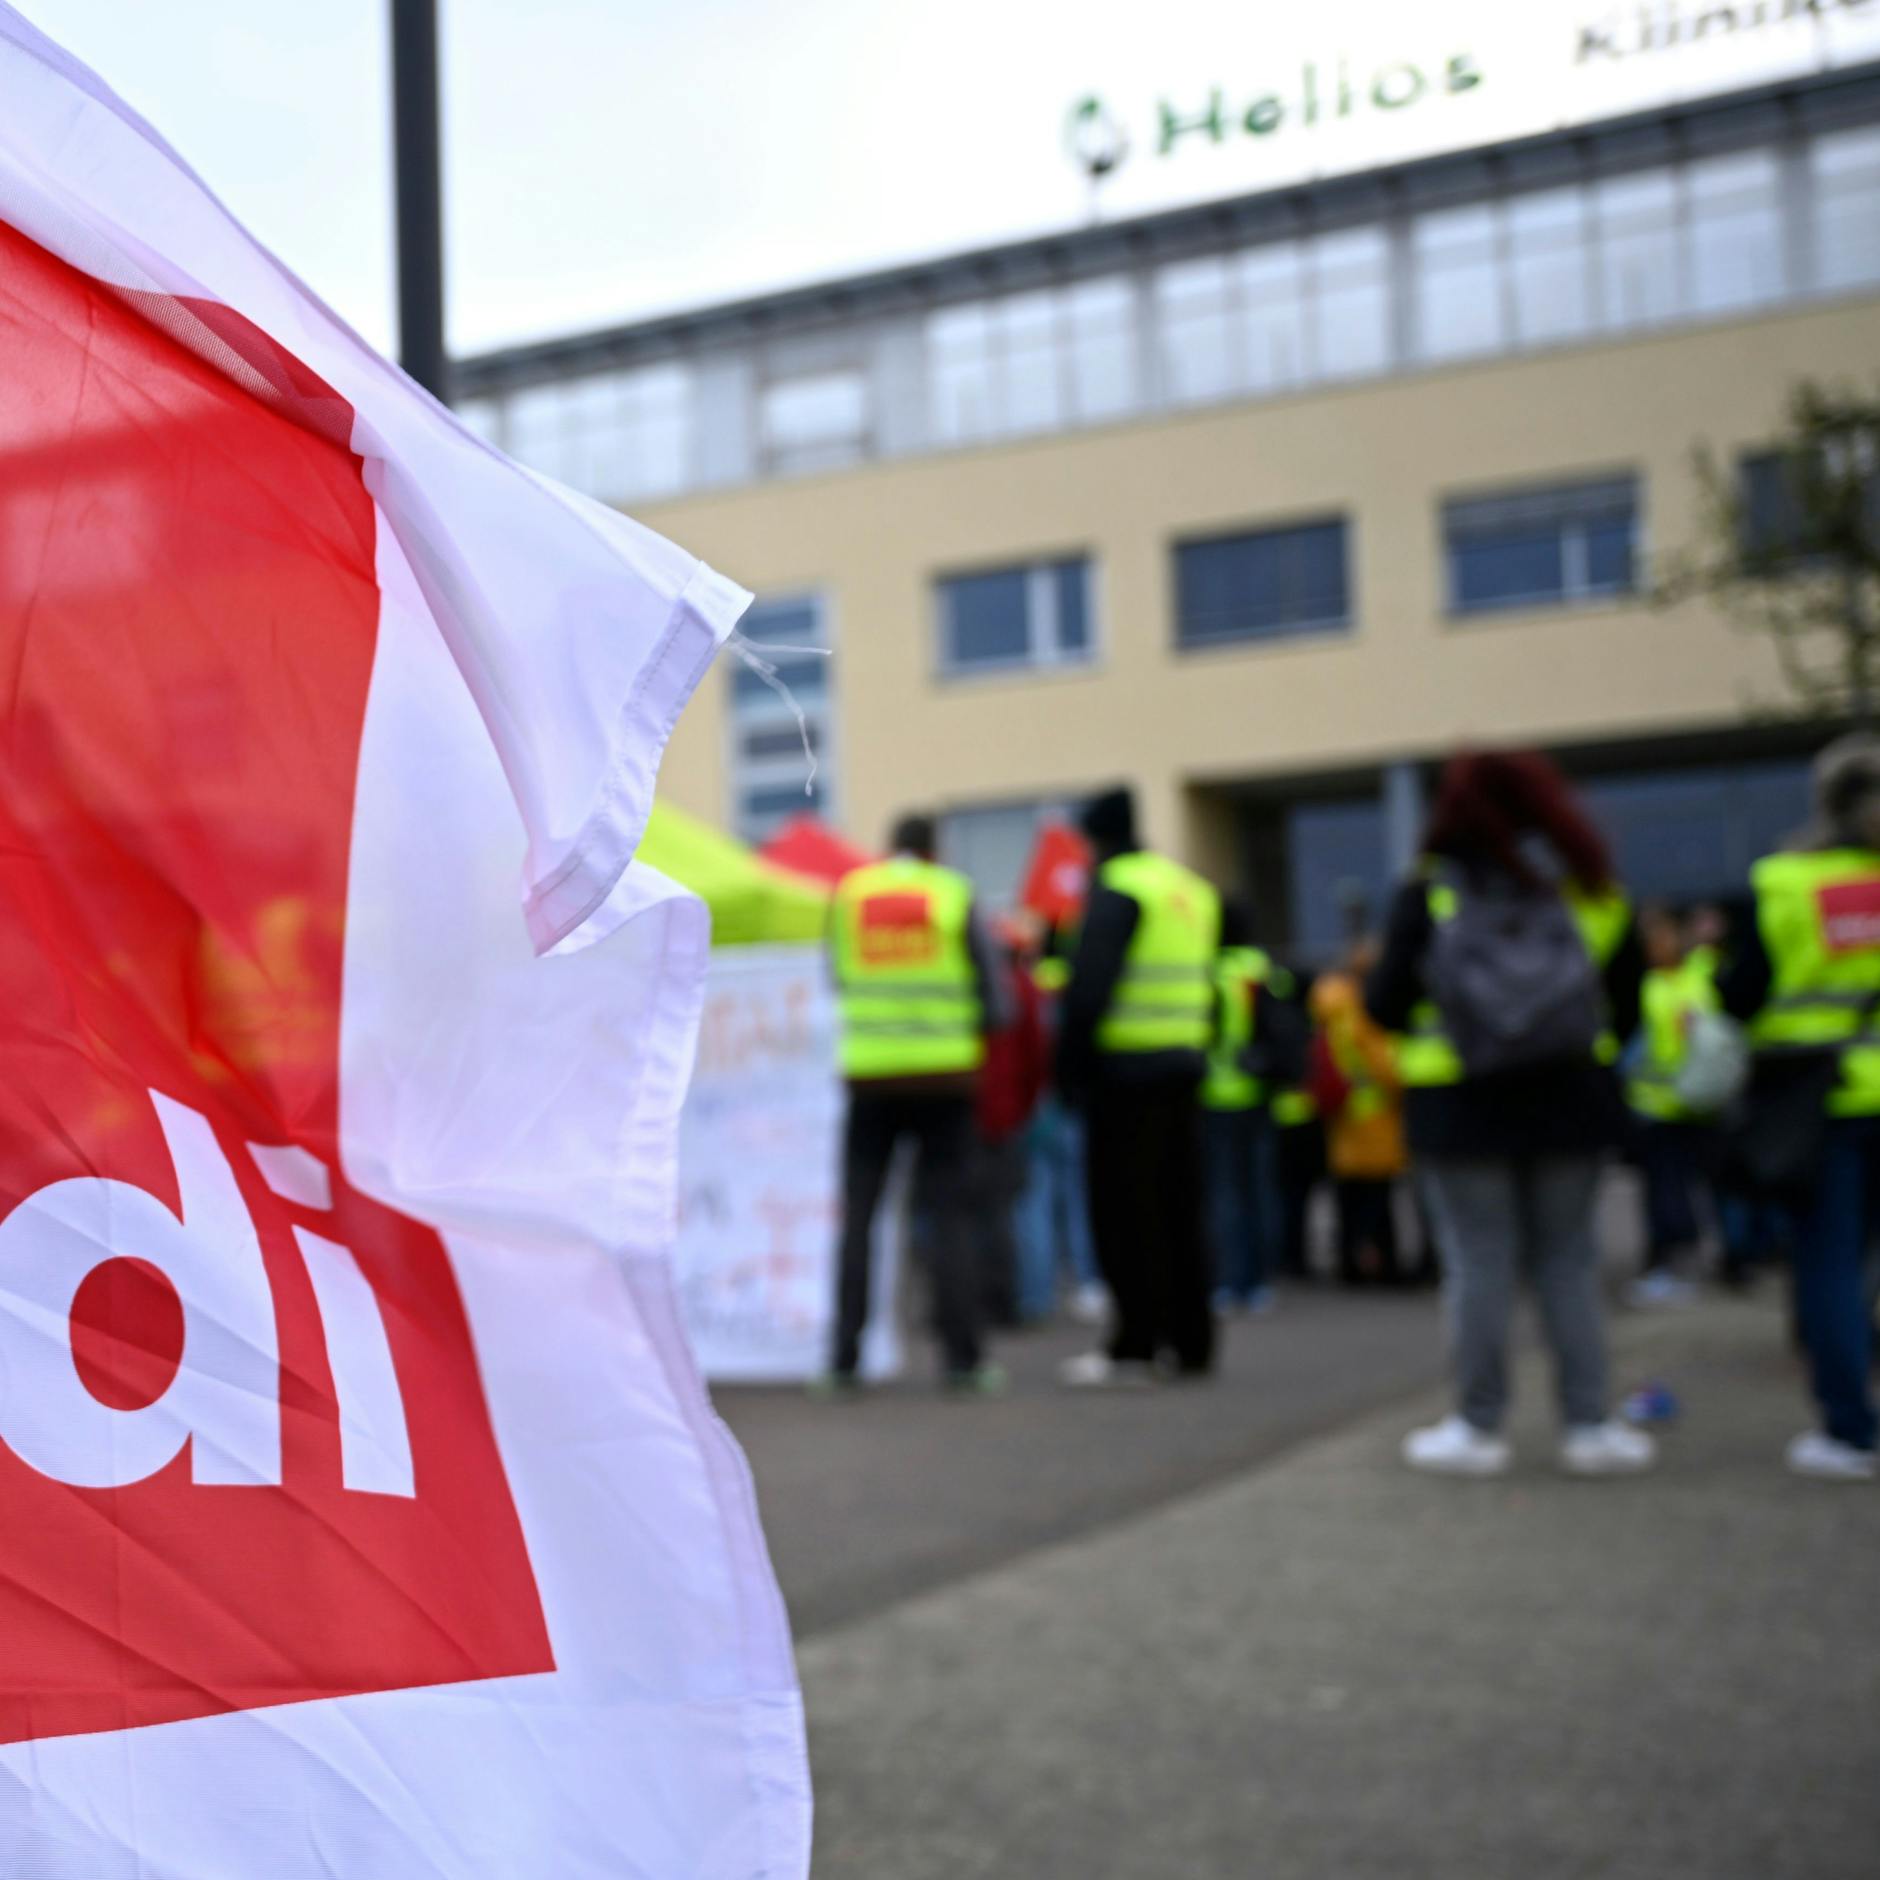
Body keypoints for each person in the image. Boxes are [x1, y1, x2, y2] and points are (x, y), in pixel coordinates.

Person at [1366, 749, 1654, 1477]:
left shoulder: (1430, 893)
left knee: (1478, 1266)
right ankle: (1589, 1427)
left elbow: (1383, 1005)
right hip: (1569, 1099)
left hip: (1459, 1105)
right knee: (1568, 1263)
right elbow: (1629, 1004)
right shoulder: (1591, 890)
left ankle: (1478, 1427)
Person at [1716, 735, 1880, 1481]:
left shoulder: (1785, 884)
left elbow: (1739, 993)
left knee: (1829, 1266)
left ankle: (1850, 1432)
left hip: (1823, 1104)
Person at [822, 812, 1009, 1394]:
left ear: (890, 846)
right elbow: (998, 1000)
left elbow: (836, 977)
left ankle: (843, 1362)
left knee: (859, 1217)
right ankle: (962, 1361)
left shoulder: (851, 895)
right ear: (934, 849)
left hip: (870, 1077)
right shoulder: (953, 893)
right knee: (950, 1217)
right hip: (945, 1079)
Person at [1055, 785, 1220, 1386]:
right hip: (1184, 1065)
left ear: (1096, 838)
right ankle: (1193, 1343)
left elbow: (1088, 990)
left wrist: (1069, 1071)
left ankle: (1136, 1343)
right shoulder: (1189, 889)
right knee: (1182, 1209)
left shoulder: (1118, 887)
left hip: (1125, 1075)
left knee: (1126, 1214)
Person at [1624, 903, 1718, 1307]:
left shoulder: (1694, 978)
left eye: (1661, 935)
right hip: (1657, 1108)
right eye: (1649, 937)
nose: (1655, 945)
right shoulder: (1652, 984)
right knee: (1665, 1190)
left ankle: (1678, 1265)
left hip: (1687, 1105)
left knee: (1675, 1191)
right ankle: (1672, 1261)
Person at [1014, 923, 1104, 1323]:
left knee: (1034, 1200)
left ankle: (1037, 1295)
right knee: (1079, 1197)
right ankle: (1089, 1281)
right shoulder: (1076, 981)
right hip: (1069, 1100)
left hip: (1033, 1103)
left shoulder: (1024, 985)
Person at [1309, 940, 1411, 1285]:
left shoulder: (1330, 1007)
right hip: (1375, 1116)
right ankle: (1385, 1265)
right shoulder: (1363, 1010)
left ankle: (1348, 1263)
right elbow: (1384, 1066)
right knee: (1378, 1202)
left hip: (1343, 1115)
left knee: (1347, 1198)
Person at [1201, 898, 1280, 1314]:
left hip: (1217, 1096)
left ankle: (1230, 1281)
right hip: (1259, 1092)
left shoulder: (1210, 971)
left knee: (1225, 1194)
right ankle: (1260, 1279)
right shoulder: (1262, 970)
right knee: (1260, 1190)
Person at [972, 924, 1050, 1327]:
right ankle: (1022, 1298)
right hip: (1010, 1113)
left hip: (969, 1111)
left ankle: (970, 1301)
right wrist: (1026, 1105)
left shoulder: (969, 985)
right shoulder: (1023, 986)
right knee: (1016, 1207)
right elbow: (1037, 1053)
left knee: (961, 1211)